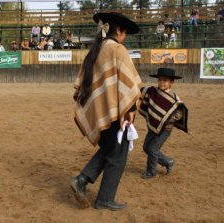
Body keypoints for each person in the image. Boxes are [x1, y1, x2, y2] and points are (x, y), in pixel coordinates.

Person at [70, 12, 142, 211]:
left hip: (100, 111)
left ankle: (82, 180)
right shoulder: (118, 50)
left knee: (111, 149)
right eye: (124, 32)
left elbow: (85, 86)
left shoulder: (95, 50)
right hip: (115, 112)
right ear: (118, 30)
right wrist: (131, 110)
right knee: (118, 155)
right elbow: (128, 85)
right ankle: (104, 199)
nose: (125, 36)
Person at [138, 68, 188, 179]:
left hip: (165, 129)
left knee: (153, 149)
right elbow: (139, 92)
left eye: (165, 80)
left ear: (171, 82)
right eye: (160, 80)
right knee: (146, 147)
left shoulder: (174, 99)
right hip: (153, 126)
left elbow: (179, 114)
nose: (161, 82)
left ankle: (151, 171)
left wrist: (165, 119)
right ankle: (168, 161)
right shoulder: (152, 92)